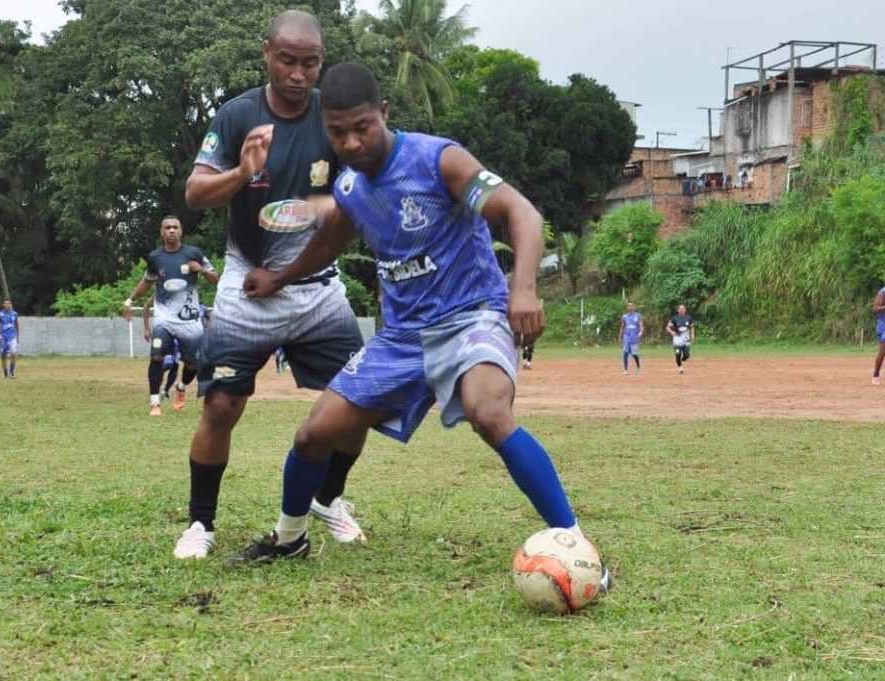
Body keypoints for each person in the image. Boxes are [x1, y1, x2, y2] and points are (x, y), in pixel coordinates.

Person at [230, 61, 609, 592]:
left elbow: (521, 212)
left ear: (383, 113)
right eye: (338, 132)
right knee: (314, 433)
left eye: (362, 126)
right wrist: (280, 276)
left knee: (488, 411)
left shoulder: (439, 160)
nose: (352, 141)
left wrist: (523, 289)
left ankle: (577, 546)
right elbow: (332, 239)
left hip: (472, 315)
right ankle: (289, 538)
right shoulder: (349, 186)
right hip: (401, 338)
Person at [178, 10, 370, 559]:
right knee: (221, 407)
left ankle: (328, 500)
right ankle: (201, 524)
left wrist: (332, 203)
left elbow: (362, 188)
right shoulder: (238, 115)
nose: (298, 73)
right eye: (287, 60)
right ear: (267, 53)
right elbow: (195, 193)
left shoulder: (334, 117)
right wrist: (240, 173)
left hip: (316, 285)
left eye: (310, 63)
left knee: (359, 401)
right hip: (247, 284)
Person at [122, 216, 218, 417]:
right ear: (162, 232)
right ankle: (154, 403)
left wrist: (200, 269)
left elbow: (215, 279)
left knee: (192, 364)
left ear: (181, 231)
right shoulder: (155, 257)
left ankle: (181, 387)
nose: (172, 231)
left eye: (175, 227)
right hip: (164, 318)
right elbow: (146, 282)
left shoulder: (194, 253)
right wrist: (129, 301)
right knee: (156, 356)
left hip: (189, 321)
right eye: (168, 228)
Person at [0, 299, 20, 378]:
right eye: (6, 303)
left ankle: (12, 371)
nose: (7, 305)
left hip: (12, 337)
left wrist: (18, 336)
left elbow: (17, 326)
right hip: (3, 338)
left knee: (13, 353)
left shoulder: (14, 314)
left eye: (9, 304)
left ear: (11, 305)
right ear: (3, 305)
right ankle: (5, 372)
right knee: (3, 356)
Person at [666, 304, 695, 374]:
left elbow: (692, 327)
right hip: (677, 338)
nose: (682, 310)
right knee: (678, 353)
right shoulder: (674, 318)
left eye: (683, 309)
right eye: (680, 309)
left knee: (686, 355)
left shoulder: (689, 318)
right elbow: (667, 327)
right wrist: (671, 332)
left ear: (685, 310)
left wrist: (692, 335)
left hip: (686, 339)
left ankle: (681, 359)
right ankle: (680, 367)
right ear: (678, 310)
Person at [618, 302, 644, 374]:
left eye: (632, 306)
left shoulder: (638, 316)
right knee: (625, 352)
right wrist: (620, 336)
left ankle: (638, 367)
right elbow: (622, 327)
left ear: (634, 307)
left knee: (634, 354)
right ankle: (625, 370)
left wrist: (641, 332)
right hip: (626, 336)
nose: (630, 307)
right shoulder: (624, 316)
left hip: (634, 336)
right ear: (627, 308)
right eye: (629, 306)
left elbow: (641, 326)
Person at [872, 285, 885, 385]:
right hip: (883, 324)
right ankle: (876, 374)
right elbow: (875, 309)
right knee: (883, 350)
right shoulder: (883, 292)